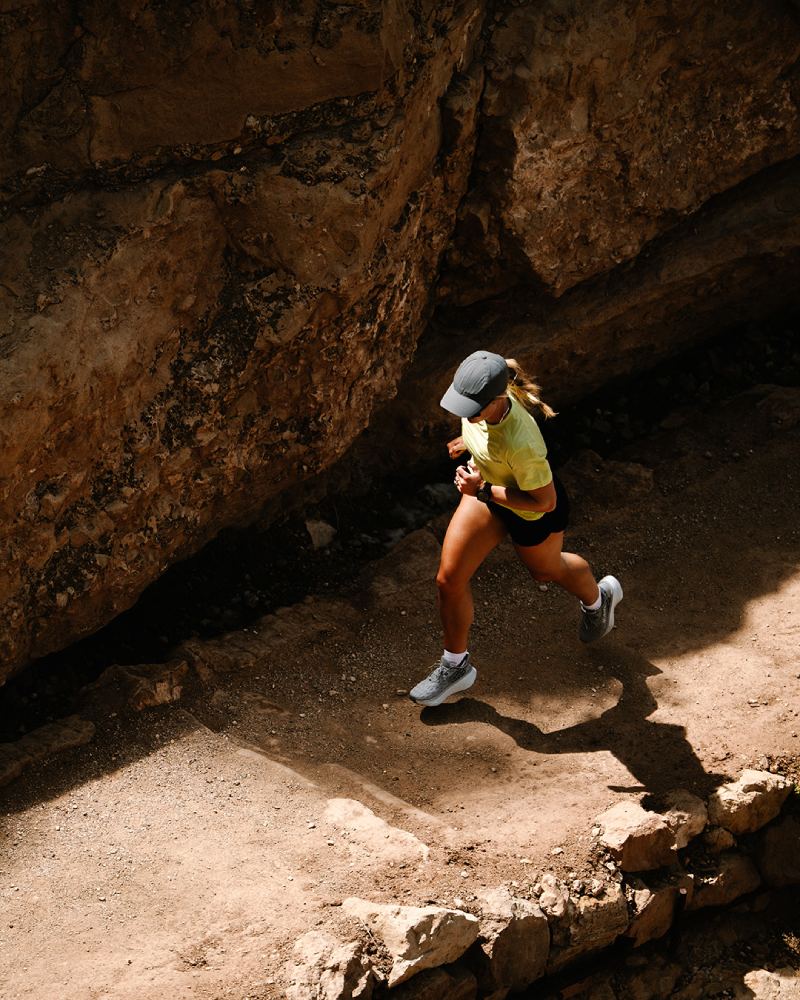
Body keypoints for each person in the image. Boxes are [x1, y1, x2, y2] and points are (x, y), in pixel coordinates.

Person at [409, 350, 622, 708]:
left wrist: (482, 490)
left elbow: (545, 502)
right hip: (487, 493)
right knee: (449, 579)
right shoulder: (480, 408)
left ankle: (599, 599)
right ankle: (455, 665)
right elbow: (485, 434)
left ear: (497, 400)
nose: (463, 413)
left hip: (529, 510)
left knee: (545, 570)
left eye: (470, 408)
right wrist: (469, 445)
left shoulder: (523, 443)